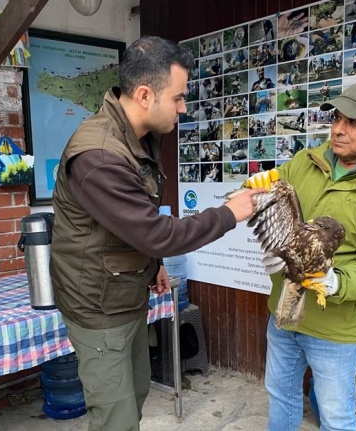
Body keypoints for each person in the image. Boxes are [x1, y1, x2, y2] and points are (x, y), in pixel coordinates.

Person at [50, 36, 263, 431]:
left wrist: (153, 266)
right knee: (116, 419)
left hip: (125, 292)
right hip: (97, 307)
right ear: (146, 95)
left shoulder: (140, 135)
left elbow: (136, 216)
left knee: (135, 397)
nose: (183, 108)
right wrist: (229, 214)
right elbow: (156, 231)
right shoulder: (98, 156)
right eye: (179, 98)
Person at [244, 80, 356, 431]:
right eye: (337, 118)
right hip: (284, 311)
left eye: (353, 123)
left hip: (336, 329)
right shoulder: (304, 162)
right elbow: (271, 195)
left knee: (336, 417)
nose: (338, 129)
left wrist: (335, 282)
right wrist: (255, 191)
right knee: (280, 393)